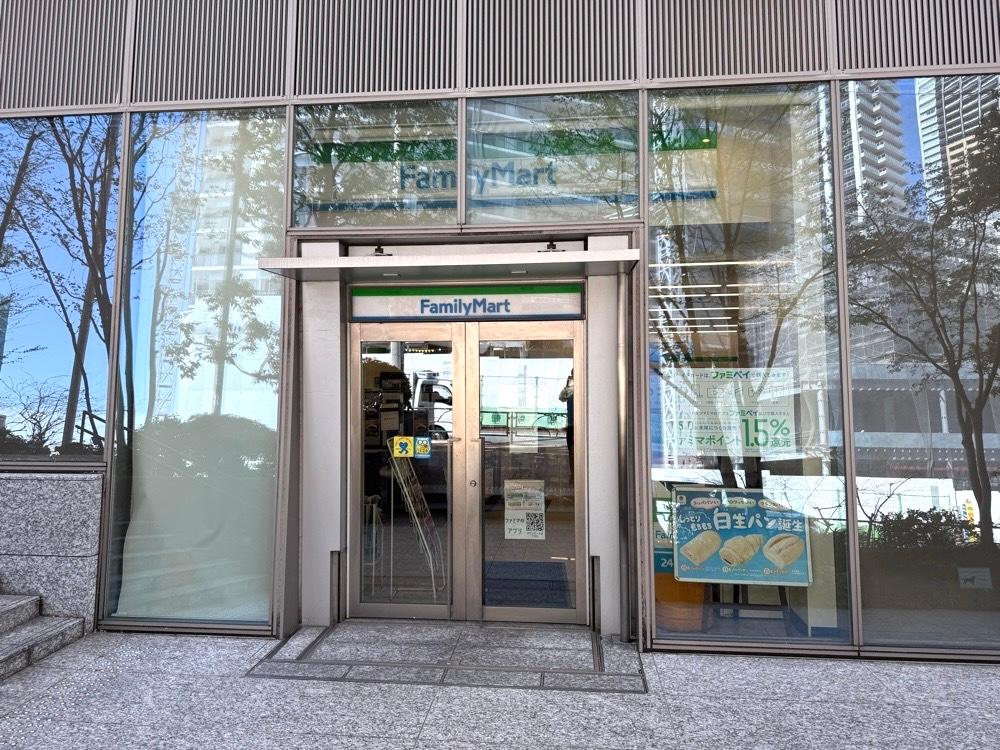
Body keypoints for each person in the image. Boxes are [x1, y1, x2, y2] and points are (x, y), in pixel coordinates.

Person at [558, 369, 574, 483]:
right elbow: (561, 398)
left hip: (578, 425)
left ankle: (576, 473)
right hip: (571, 424)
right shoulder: (569, 389)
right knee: (571, 450)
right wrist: (567, 386)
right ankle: (573, 473)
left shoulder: (584, 386)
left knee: (575, 450)